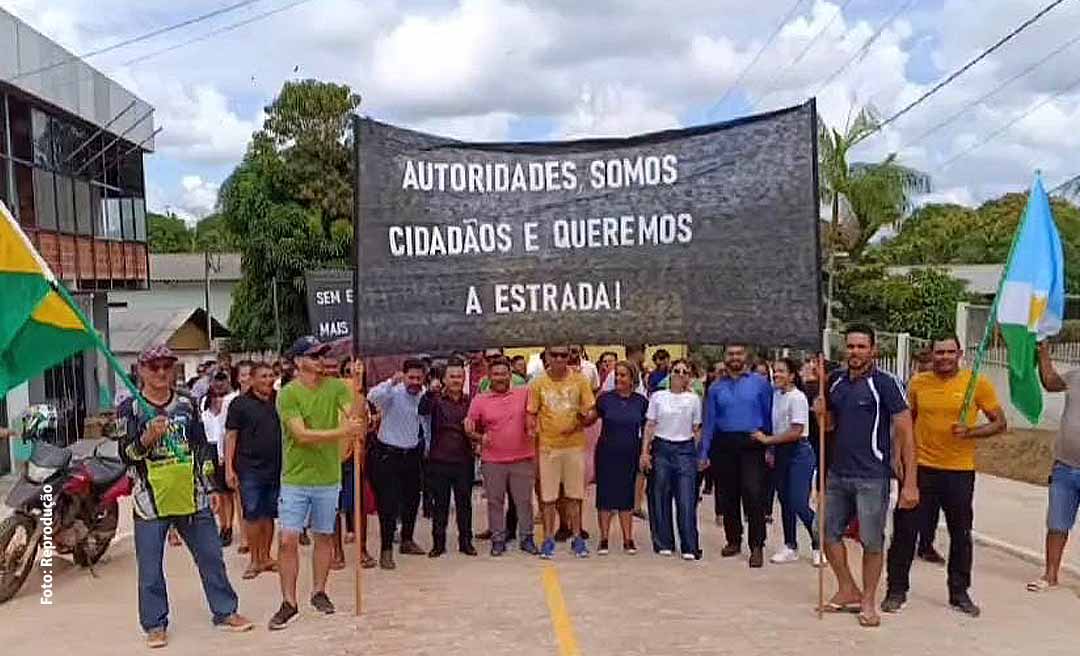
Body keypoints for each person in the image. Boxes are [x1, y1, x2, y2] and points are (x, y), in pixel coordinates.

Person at [119, 345, 253, 648]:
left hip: (192, 496)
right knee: (150, 568)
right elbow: (126, 455)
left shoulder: (186, 404)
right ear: (141, 370)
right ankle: (155, 623)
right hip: (150, 500)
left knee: (210, 557)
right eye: (154, 367)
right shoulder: (131, 409)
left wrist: (211, 486)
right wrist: (146, 438)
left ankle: (225, 610)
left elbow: (201, 446)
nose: (162, 372)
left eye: (167, 365)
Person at [883, 335, 1005, 617]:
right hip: (921, 468)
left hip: (959, 471)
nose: (945, 357)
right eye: (940, 352)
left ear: (960, 354)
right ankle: (896, 590)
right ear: (932, 354)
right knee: (904, 532)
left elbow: (1000, 422)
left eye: (951, 352)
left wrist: (971, 432)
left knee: (960, 534)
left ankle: (959, 592)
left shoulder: (977, 383)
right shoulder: (918, 383)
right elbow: (905, 423)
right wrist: (896, 455)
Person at [819, 324, 916, 628]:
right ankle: (847, 587)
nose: (855, 352)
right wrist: (820, 412)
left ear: (874, 350)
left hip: (873, 476)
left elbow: (906, 431)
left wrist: (910, 482)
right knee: (823, 531)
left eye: (861, 347)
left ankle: (868, 600)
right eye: (850, 346)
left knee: (872, 540)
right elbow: (830, 426)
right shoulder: (834, 382)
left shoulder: (886, 384)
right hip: (837, 474)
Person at [269, 337, 366, 630]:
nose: (321, 360)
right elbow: (301, 435)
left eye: (323, 354)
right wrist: (342, 431)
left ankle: (319, 591)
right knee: (287, 540)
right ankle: (289, 601)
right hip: (296, 479)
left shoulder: (337, 387)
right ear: (298, 362)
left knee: (324, 536)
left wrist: (358, 385)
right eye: (314, 356)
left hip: (328, 477)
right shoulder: (288, 395)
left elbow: (355, 415)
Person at [700, 344, 773, 567]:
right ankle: (733, 540)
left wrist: (771, 446)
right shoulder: (715, 388)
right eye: (730, 354)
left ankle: (757, 545)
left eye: (739, 353)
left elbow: (769, 414)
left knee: (753, 493)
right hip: (724, 443)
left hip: (752, 443)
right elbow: (709, 421)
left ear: (746, 356)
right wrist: (704, 452)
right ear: (725, 358)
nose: (735, 357)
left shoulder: (760, 384)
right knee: (727, 494)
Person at [528, 345, 597, 559]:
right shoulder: (538, 382)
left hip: (574, 446)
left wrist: (586, 419)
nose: (559, 359)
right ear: (546, 356)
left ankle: (577, 538)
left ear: (570, 356)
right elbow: (531, 412)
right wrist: (533, 432)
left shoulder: (579, 380)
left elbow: (592, 410)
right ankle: (548, 539)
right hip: (548, 447)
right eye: (554, 355)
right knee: (548, 498)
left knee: (574, 496)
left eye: (563, 355)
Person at [466, 357, 539, 556]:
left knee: (524, 501)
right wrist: (478, 436)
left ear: (511, 376)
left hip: (522, 457)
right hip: (493, 460)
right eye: (496, 374)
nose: (500, 377)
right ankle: (498, 539)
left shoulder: (524, 394)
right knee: (495, 501)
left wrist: (534, 426)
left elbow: (536, 414)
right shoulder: (480, 399)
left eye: (504, 373)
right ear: (489, 377)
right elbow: (470, 427)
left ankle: (527, 538)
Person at [754, 358, 819, 566]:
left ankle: (819, 543)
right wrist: (772, 449)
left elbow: (796, 430)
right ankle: (790, 545)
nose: (777, 375)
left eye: (782, 371)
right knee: (784, 501)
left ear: (792, 375)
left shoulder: (797, 397)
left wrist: (767, 441)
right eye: (775, 371)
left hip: (799, 451)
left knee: (799, 501)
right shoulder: (776, 396)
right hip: (780, 451)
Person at [1028, 342, 1080, 593]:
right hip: (1065, 466)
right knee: (1057, 523)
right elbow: (1049, 382)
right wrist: (1043, 354)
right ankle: (1050, 575)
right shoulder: (1075, 376)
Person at [367, 358, 428, 569]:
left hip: (412, 455)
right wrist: (390, 382)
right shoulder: (392, 393)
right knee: (388, 505)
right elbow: (372, 396)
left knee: (412, 500)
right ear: (404, 375)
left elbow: (425, 424)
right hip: (388, 455)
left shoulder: (423, 395)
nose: (414, 381)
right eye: (411, 377)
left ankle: (407, 540)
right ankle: (386, 550)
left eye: (419, 378)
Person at [224, 362, 283, 579]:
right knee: (252, 514)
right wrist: (229, 468)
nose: (268, 380)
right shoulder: (239, 404)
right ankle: (255, 560)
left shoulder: (280, 400)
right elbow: (231, 436)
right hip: (249, 468)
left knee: (269, 514)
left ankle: (267, 557)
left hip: (276, 466)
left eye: (271, 376)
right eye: (263, 376)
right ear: (253, 379)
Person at [641, 359, 703, 560]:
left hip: (684, 449)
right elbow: (650, 425)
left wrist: (698, 454)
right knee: (659, 496)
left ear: (690, 376)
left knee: (686, 499)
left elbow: (697, 429)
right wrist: (645, 452)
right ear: (670, 373)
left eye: (685, 371)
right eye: (677, 370)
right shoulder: (658, 396)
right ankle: (663, 542)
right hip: (661, 447)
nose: (681, 374)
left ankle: (689, 545)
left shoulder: (694, 400)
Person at [419, 357, 477, 557]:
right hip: (439, 460)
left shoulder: (471, 401)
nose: (456, 380)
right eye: (452, 376)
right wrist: (429, 391)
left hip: (464, 459)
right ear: (444, 379)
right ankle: (438, 543)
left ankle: (466, 542)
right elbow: (422, 409)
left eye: (459, 376)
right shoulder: (435, 400)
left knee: (464, 504)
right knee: (440, 505)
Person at [594, 361, 650, 555]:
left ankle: (628, 539)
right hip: (606, 452)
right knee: (605, 495)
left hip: (630, 452)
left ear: (633, 379)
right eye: (617, 375)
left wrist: (645, 452)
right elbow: (590, 417)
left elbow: (647, 429)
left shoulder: (641, 402)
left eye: (623, 375)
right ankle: (604, 539)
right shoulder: (605, 399)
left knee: (627, 496)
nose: (619, 378)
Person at [201, 367, 238, 545]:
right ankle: (221, 524)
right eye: (216, 379)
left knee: (227, 493)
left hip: (224, 446)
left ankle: (228, 526)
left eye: (222, 379)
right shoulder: (204, 403)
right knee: (216, 491)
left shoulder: (232, 400)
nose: (219, 383)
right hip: (209, 448)